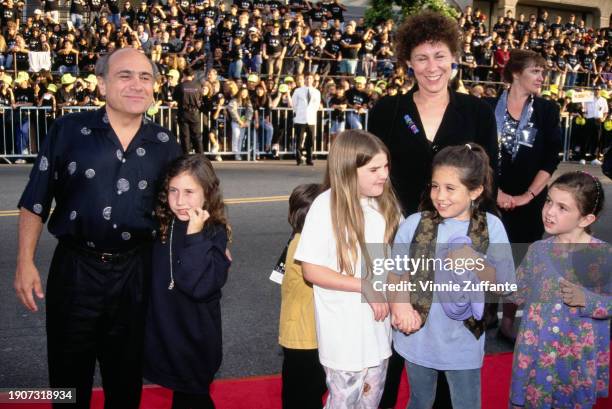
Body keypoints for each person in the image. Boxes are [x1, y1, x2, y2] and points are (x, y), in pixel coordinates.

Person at [13, 48, 181, 409]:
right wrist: (25, 262)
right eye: (125, 76)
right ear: (102, 84)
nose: (137, 85)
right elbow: (35, 200)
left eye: (145, 77)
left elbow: (184, 210)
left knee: (126, 379)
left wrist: (210, 245)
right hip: (75, 271)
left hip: (137, 273)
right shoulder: (68, 131)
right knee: (67, 380)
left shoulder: (166, 144)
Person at [367, 12, 498, 408]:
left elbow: (487, 179)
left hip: (453, 242)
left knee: (445, 345)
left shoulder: (476, 112)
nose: (432, 67)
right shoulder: (387, 110)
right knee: (386, 344)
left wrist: (479, 249)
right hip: (396, 239)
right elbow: (370, 178)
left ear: (454, 57)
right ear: (408, 61)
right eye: (421, 58)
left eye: (439, 56)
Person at [390, 144, 515, 409]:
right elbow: (396, 274)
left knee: (466, 403)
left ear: (475, 191)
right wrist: (400, 306)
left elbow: (506, 285)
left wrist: (475, 262)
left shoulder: (491, 226)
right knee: (420, 400)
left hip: (464, 341)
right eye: (435, 186)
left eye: (450, 188)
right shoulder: (414, 224)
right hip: (419, 338)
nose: (439, 196)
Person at [294, 130, 402, 408]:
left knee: (370, 402)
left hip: (378, 333)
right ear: (347, 169)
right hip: (344, 335)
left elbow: (394, 263)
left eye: (386, 166)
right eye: (374, 169)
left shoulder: (385, 205)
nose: (384, 175)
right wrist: (364, 285)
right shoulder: (324, 206)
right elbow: (312, 270)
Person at [508, 171, 610, 409]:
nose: (549, 211)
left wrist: (587, 300)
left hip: (574, 360)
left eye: (563, 208)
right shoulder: (537, 250)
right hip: (535, 355)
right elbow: (516, 293)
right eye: (548, 201)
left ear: (586, 219)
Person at [484, 49, 562, 342]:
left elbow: (550, 159)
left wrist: (528, 196)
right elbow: (480, 155)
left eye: (543, 72)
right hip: (492, 197)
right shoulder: (488, 107)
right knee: (491, 257)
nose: (542, 77)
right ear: (516, 73)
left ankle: (507, 321)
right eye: (536, 71)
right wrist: (497, 193)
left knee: (519, 261)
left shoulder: (547, 111)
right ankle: (489, 312)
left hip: (530, 201)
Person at [144, 154, 231, 409]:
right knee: (181, 398)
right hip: (165, 334)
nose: (180, 201)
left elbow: (198, 285)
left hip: (195, 340)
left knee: (194, 398)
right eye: (173, 190)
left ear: (207, 193)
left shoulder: (213, 233)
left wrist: (194, 235)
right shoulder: (161, 225)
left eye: (189, 192)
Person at [279, 183, 327, 409]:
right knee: (304, 396)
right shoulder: (304, 246)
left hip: (304, 334)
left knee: (303, 393)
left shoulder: (298, 240)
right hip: (304, 337)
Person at [291, 73, 320, 166]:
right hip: (300, 119)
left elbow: (316, 106)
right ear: (304, 80)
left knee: (310, 140)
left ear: (313, 80)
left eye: (310, 79)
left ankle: (309, 159)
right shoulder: (298, 91)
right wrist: (299, 112)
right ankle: (299, 159)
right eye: (307, 78)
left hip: (311, 119)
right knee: (299, 140)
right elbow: (294, 104)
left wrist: (310, 113)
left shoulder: (316, 92)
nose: (308, 80)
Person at [174, 67, 204, 154]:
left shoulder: (180, 86)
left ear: (183, 75)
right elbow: (200, 98)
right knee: (197, 136)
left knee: (185, 136)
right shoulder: (198, 86)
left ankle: (186, 156)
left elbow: (175, 98)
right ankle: (200, 156)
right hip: (194, 113)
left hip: (183, 113)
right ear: (193, 76)